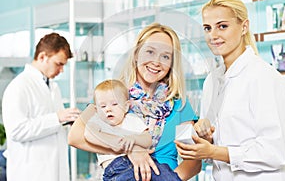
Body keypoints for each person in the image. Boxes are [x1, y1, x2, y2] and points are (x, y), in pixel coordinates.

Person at [175, 0, 285, 181]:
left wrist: (215, 151)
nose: (213, 35)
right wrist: (204, 138)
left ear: (244, 27)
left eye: (222, 26)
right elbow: (220, 146)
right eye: (207, 28)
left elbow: (275, 151)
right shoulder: (212, 81)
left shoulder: (263, 77)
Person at [68, 23, 202, 181]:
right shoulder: (111, 95)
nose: (156, 62)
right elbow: (75, 136)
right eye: (150, 52)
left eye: (165, 56)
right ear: (137, 54)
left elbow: (193, 161)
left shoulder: (179, 105)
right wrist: (129, 149)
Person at [2, 32, 81, 181]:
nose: (61, 70)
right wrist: (57, 118)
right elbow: (17, 131)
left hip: (53, 171)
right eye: (59, 64)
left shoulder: (53, 87)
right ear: (42, 57)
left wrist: (66, 121)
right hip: (30, 173)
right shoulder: (19, 86)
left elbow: (49, 126)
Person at [85, 79, 181, 180]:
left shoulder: (131, 119)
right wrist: (121, 143)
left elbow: (148, 140)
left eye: (114, 104)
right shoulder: (98, 123)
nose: (108, 109)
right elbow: (88, 134)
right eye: (103, 106)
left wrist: (134, 139)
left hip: (143, 163)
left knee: (166, 173)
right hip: (117, 169)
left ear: (126, 106)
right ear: (96, 110)